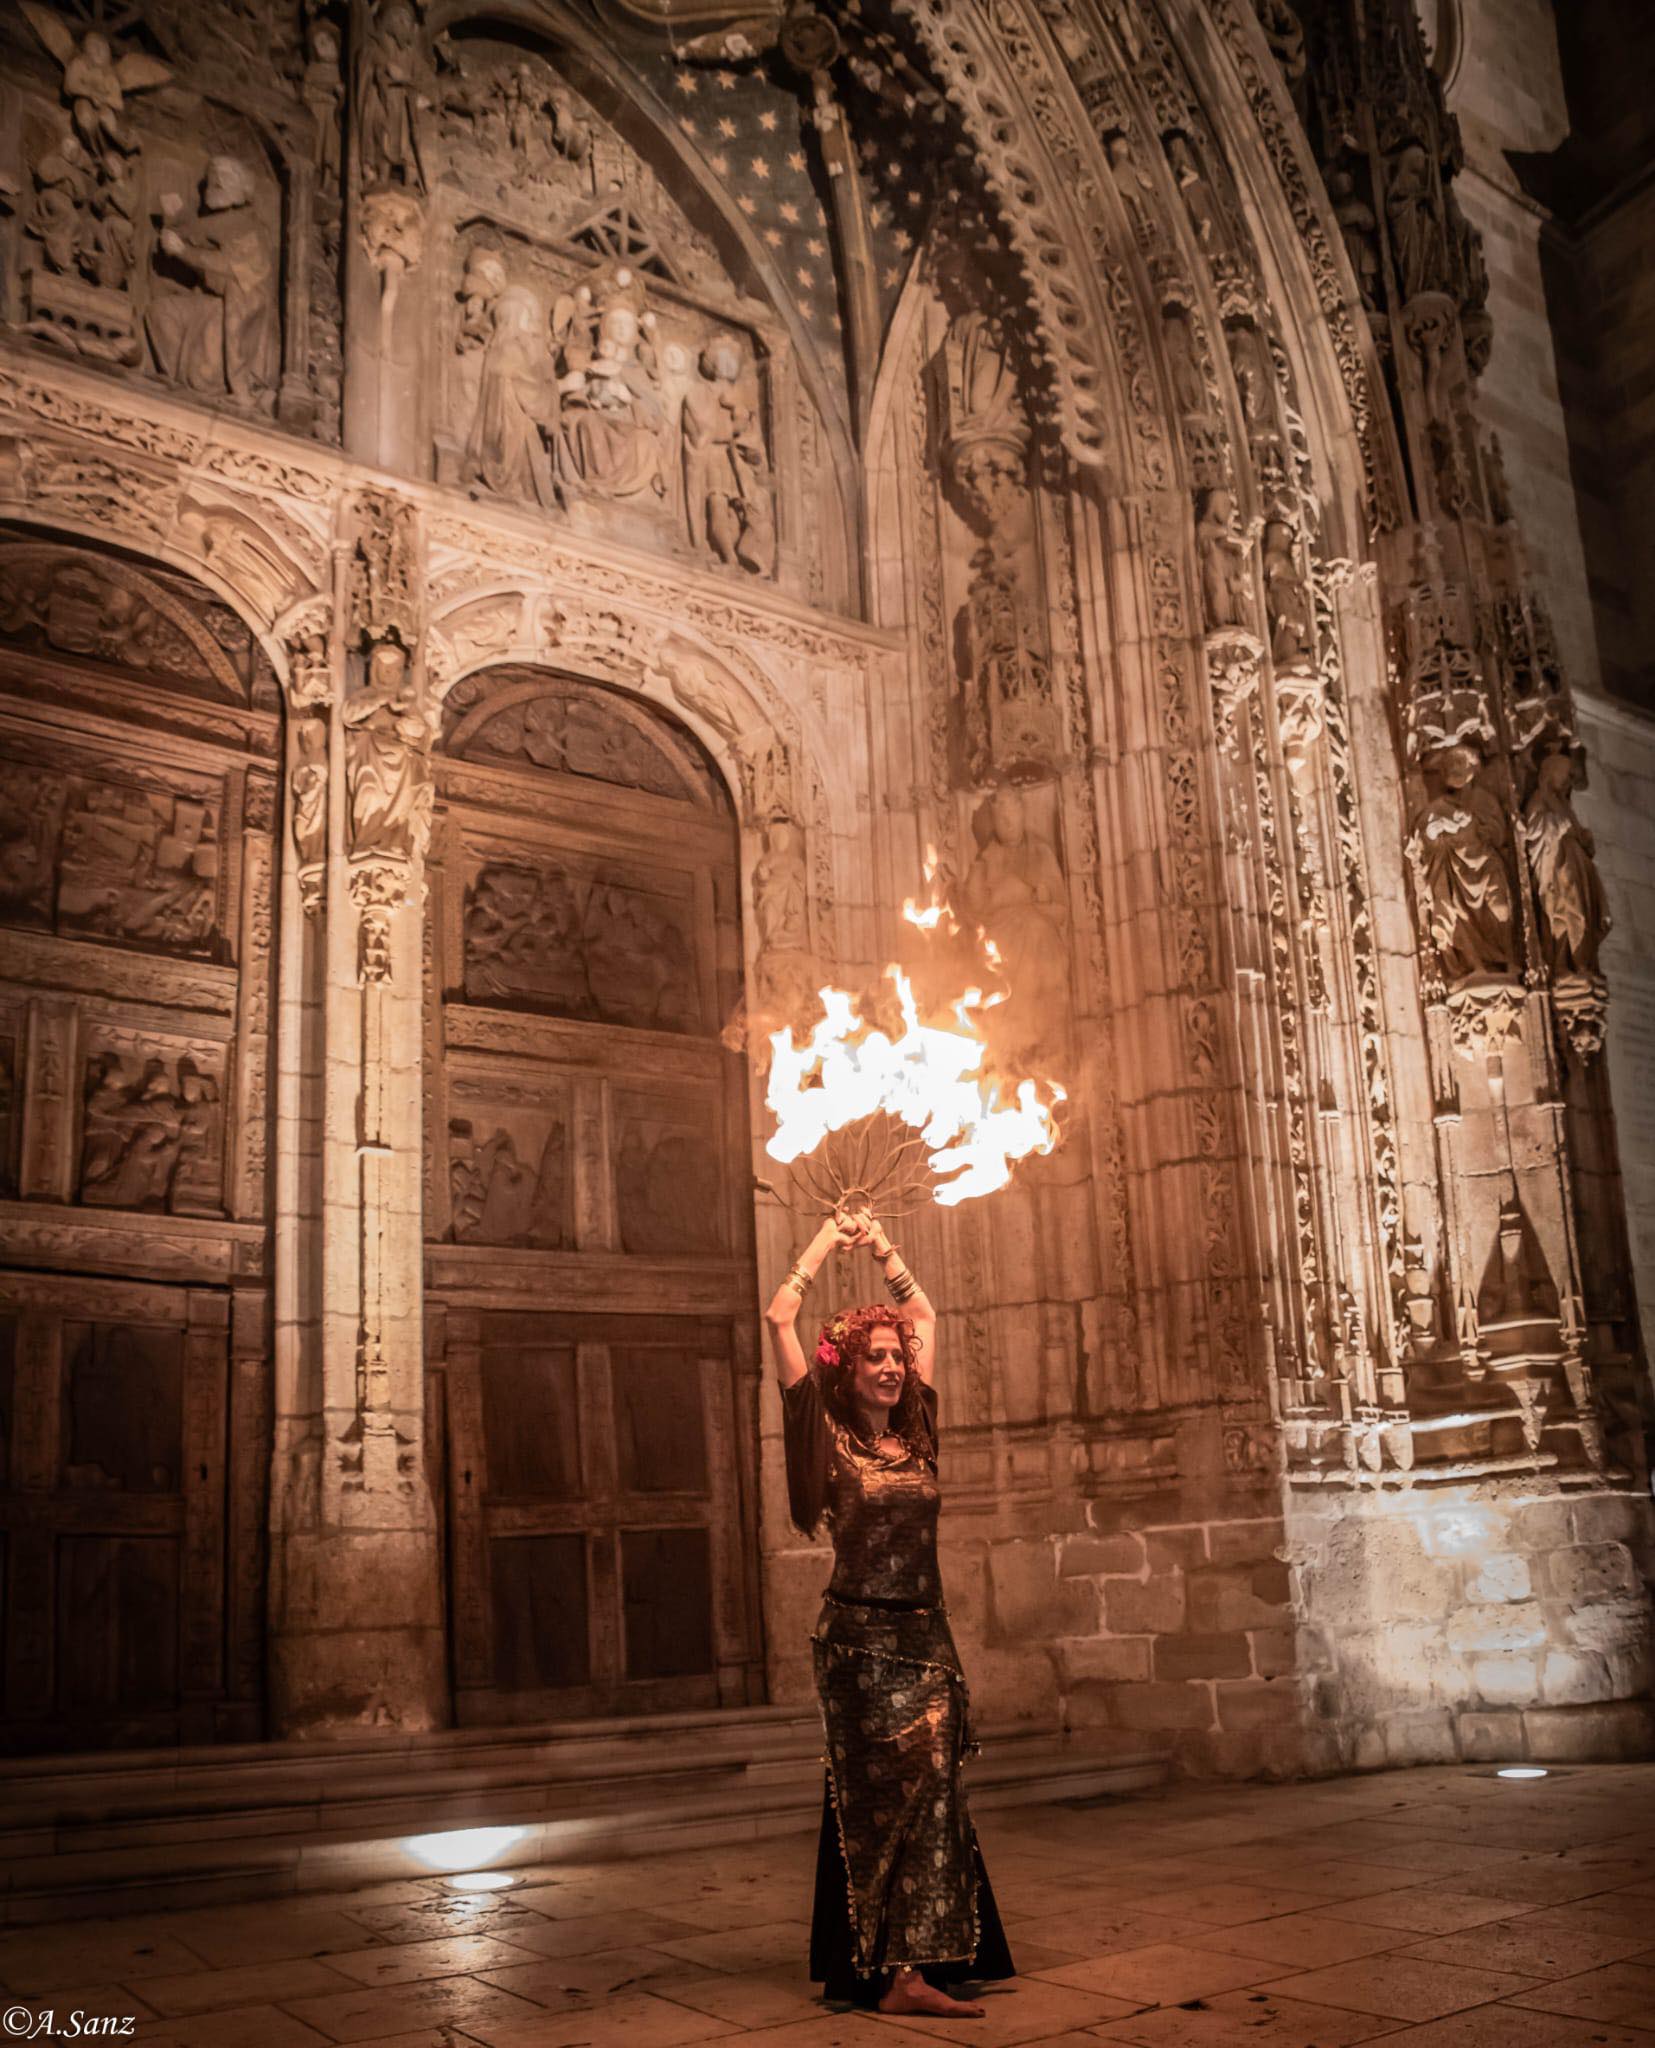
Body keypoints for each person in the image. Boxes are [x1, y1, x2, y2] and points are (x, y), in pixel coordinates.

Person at [765, 1208, 1014, 2017]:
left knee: (937, 1786)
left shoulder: (919, 1436)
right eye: (875, 1357)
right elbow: (778, 1316)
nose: (893, 1366)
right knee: (884, 1799)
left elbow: (929, 1316)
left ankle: (927, 1958)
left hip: (926, 1636)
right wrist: (825, 1243)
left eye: (897, 1356)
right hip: (860, 1646)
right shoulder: (823, 1439)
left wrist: (885, 1248)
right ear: (847, 1369)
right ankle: (895, 1972)